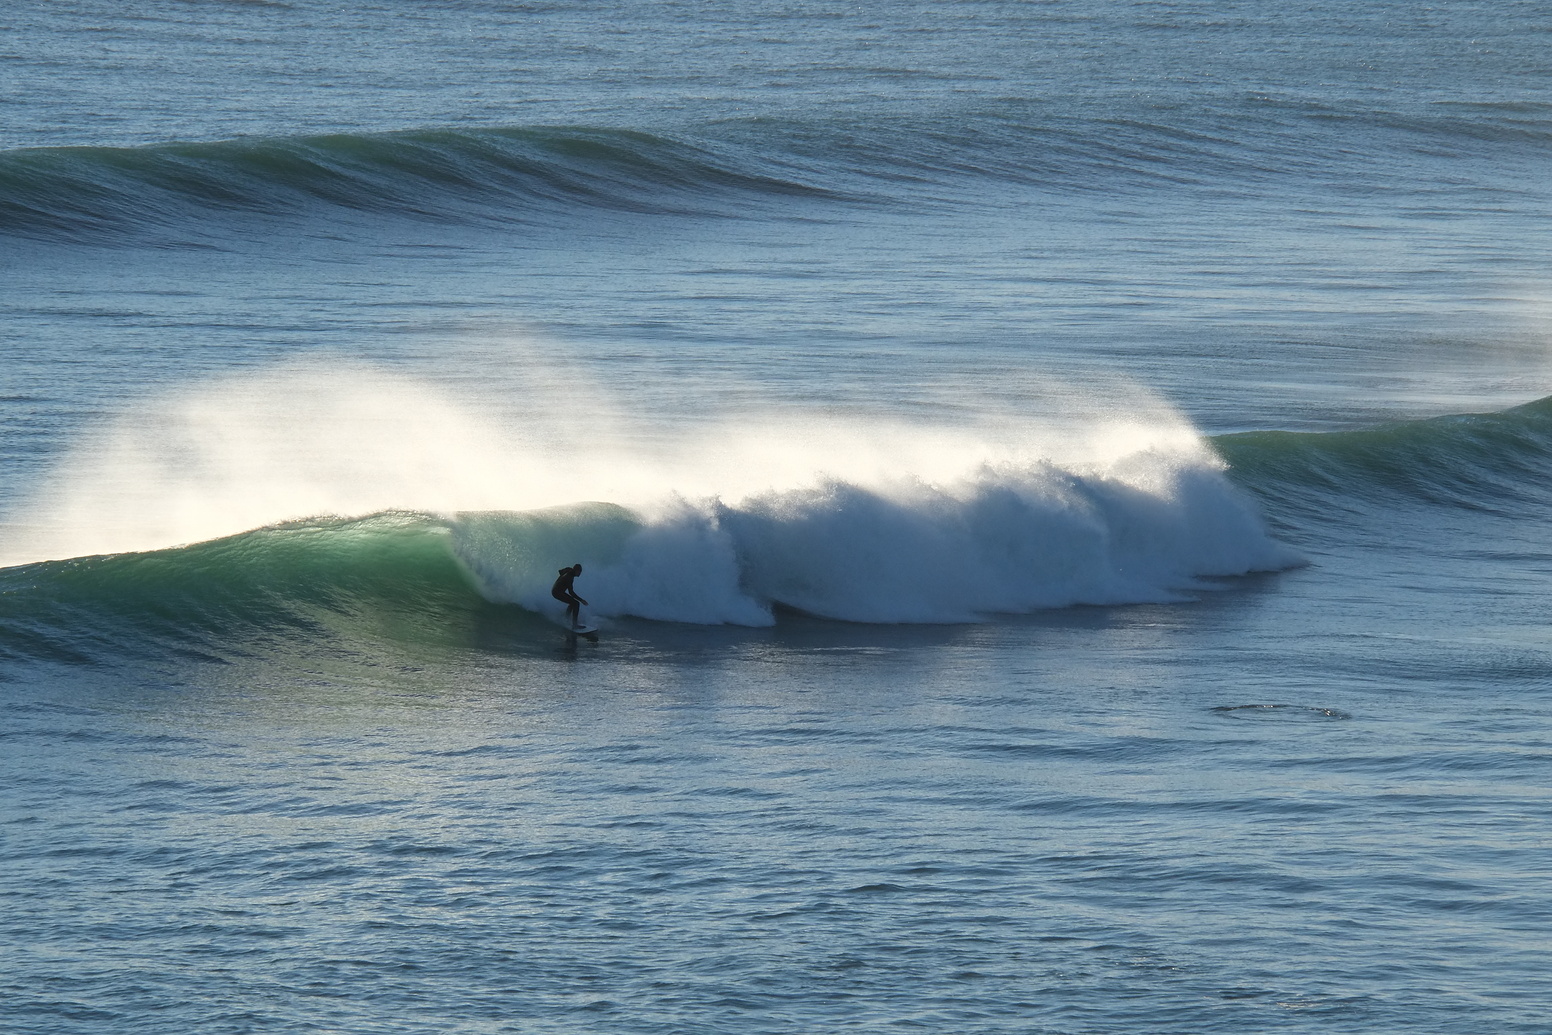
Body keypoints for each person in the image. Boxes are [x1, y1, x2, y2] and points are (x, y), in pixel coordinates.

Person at [551, 563, 588, 629]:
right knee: (576, 603)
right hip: (557, 592)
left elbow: (560, 571)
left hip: (556, 590)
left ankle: (566, 619)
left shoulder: (569, 570)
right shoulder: (569, 578)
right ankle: (575, 625)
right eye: (580, 572)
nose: (580, 574)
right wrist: (581, 600)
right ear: (576, 571)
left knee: (572, 603)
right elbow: (571, 592)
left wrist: (561, 580)